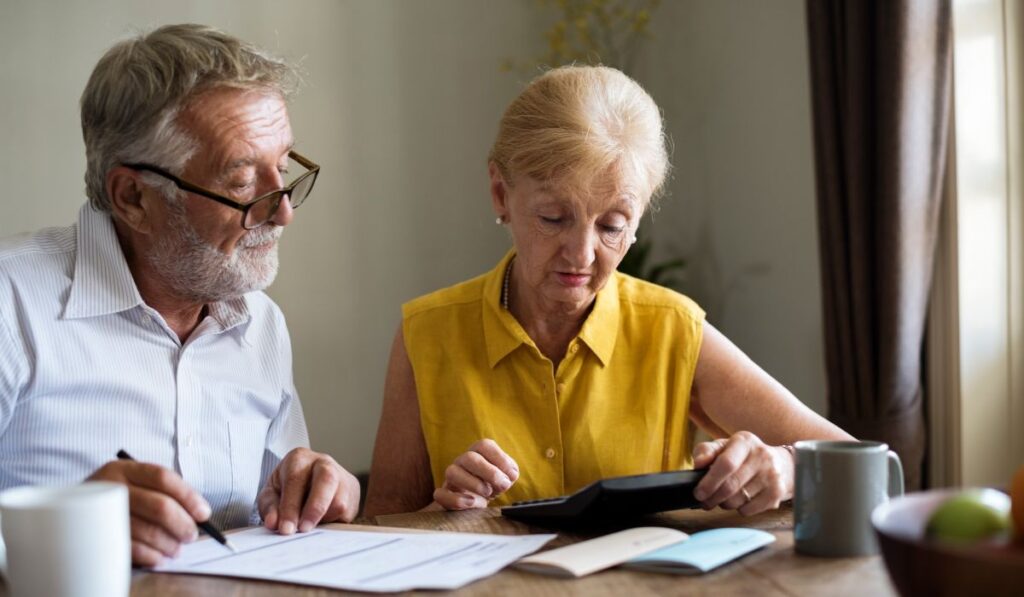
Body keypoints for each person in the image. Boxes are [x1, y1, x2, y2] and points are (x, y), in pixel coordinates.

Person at [364, 65, 853, 517]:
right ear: (500, 194)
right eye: (553, 219)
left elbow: (866, 467)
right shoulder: (426, 334)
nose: (580, 255)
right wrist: (441, 516)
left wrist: (788, 467)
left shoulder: (671, 330)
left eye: (612, 226)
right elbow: (379, 531)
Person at [0, 24, 359, 566]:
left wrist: (321, 491)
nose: (281, 210)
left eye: (282, 169)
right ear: (133, 197)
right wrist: (70, 530)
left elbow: (279, 511)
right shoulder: (11, 303)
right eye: (241, 183)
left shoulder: (259, 321)